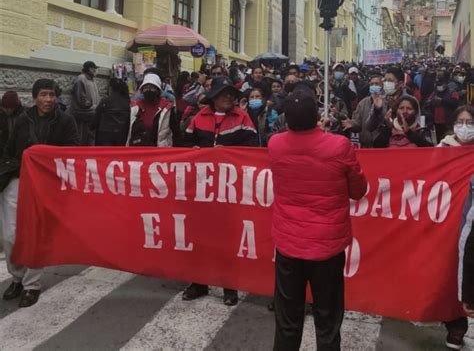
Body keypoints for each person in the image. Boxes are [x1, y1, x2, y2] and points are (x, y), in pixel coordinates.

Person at [268, 91, 367, 350]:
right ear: (318, 116)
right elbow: (358, 190)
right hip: (327, 248)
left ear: (287, 120)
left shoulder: (275, 144)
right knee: (327, 320)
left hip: (289, 246)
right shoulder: (338, 146)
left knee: (287, 320)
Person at [0, 79, 79, 308]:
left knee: (36, 235)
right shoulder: (22, 120)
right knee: (10, 236)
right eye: (44, 95)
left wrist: (46, 157)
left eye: (52, 95)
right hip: (17, 180)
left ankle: (31, 284)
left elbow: (73, 151)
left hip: (45, 186)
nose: (48, 100)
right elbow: (9, 149)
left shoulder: (66, 121)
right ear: (34, 97)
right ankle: (17, 277)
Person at [182, 76, 257, 305]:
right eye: (223, 93)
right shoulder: (199, 117)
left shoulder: (242, 117)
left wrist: (230, 152)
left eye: (230, 94)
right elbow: (183, 143)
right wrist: (192, 150)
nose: (227, 97)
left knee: (227, 236)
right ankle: (199, 282)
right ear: (213, 96)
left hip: (229, 189)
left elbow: (253, 148)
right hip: (201, 188)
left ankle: (229, 286)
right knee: (199, 235)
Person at [438, 105, 474, 350]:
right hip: (445, 220)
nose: (464, 126)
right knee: (447, 272)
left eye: (469, 122)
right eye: (460, 121)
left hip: (469, 223)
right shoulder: (443, 147)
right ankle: (454, 324)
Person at [126, 73, 180, 147]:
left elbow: (176, 131)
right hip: (138, 149)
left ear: (158, 90)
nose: (149, 90)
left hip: (160, 151)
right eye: (146, 87)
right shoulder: (134, 107)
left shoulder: (167, 108)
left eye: (152, 87)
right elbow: (127, 131)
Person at [343, 73, 384, 148]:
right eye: (372, 84)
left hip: (383, 147)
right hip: (366, 147)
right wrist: (352, 124)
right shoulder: (362, 103)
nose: (374, 86)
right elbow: (358, 124)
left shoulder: (387, 103)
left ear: (382, 86)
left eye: (377, 84)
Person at [91, 78, 131, 146]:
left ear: (111, 88)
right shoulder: (127, 102)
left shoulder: (105, 101)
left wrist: (92, 127)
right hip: (122, 136)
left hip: (104, 137)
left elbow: (95, 119)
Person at [70, 61, 100, 146]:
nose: (96, 71)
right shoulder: (81, 79)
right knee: (82, 137)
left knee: (91, 137)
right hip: (83, 114)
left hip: (91, 114)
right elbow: (81, 98)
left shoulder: (92, 80)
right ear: (90, 69)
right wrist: (89, 105)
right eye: (94, 69)